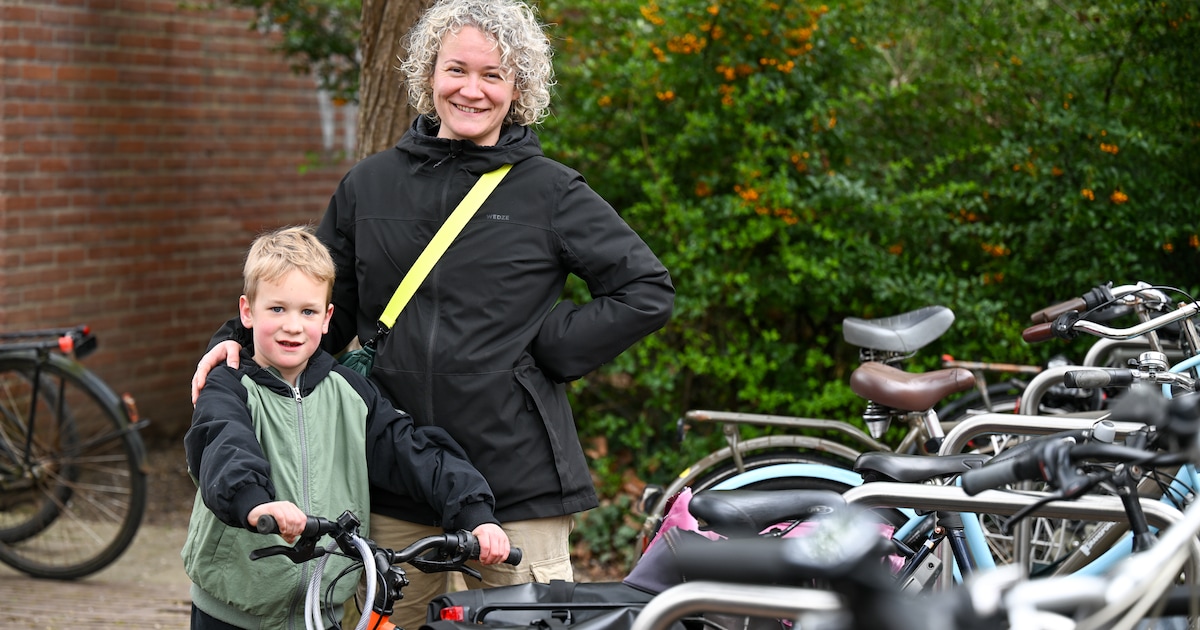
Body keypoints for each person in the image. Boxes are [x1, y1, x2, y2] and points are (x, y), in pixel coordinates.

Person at [191, 0, 675, 626]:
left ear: (518, 88)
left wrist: (544, 348)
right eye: (456, 70)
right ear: (428, 75)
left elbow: (645, 289)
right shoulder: (371, 185)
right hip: (395, 485)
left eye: (493, 75)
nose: (471, 90)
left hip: (516, 490)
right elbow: (317, 306)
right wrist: (235, 338)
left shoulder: (552, 191)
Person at [182, 226, 511, 630]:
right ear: (247, 312)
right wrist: (254, 502)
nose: (292, 326)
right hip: (233, 613)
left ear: (327, 318)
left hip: (322, 612)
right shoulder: (229, 383)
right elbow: (223, 441)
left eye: (307, 311)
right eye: (276, 309)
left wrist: (474, 512)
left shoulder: (350, 392)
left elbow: (410, 450)